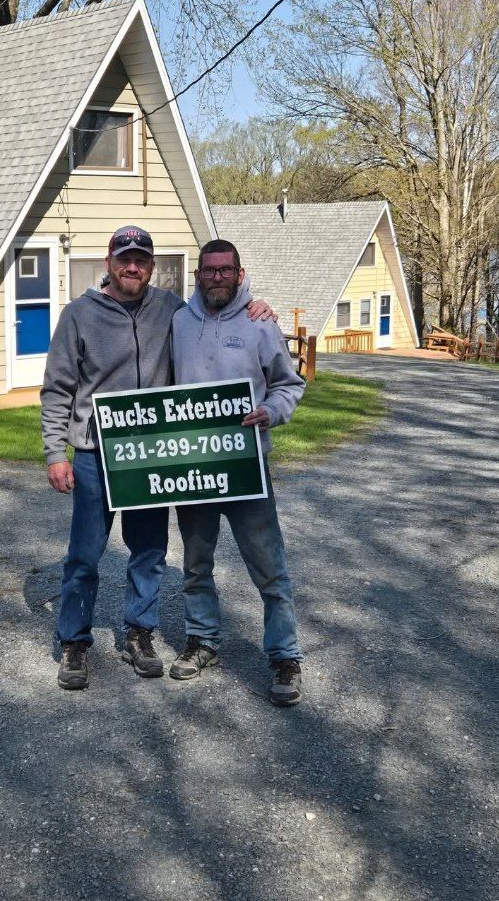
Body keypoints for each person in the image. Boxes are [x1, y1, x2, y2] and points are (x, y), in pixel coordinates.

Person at [41, 225, 274, 691]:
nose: (133, 267)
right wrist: (55, 452)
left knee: (148, 551)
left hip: (152, 452)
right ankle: (74, 642)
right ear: (109, 262)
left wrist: (255, 304)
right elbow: (58, 388)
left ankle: (140, 633)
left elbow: (218, 304)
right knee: (84, 555)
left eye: (141, 260)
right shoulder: (78, 315)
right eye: (124, 259)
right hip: (95, 453)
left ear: (151, 265)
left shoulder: (171, 308)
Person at [169, 238, 306, 706]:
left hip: (247, 467)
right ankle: (202, 639)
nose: (217, 277)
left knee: (269, 566)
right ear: (198, 275)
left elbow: (290, 384)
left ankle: (285, 656)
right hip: (194, 467)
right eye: (209, 270)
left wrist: (270, 411)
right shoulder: (179, 322)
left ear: (239, 273)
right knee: (194, 564)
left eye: (226, 270)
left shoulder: (259, 323)